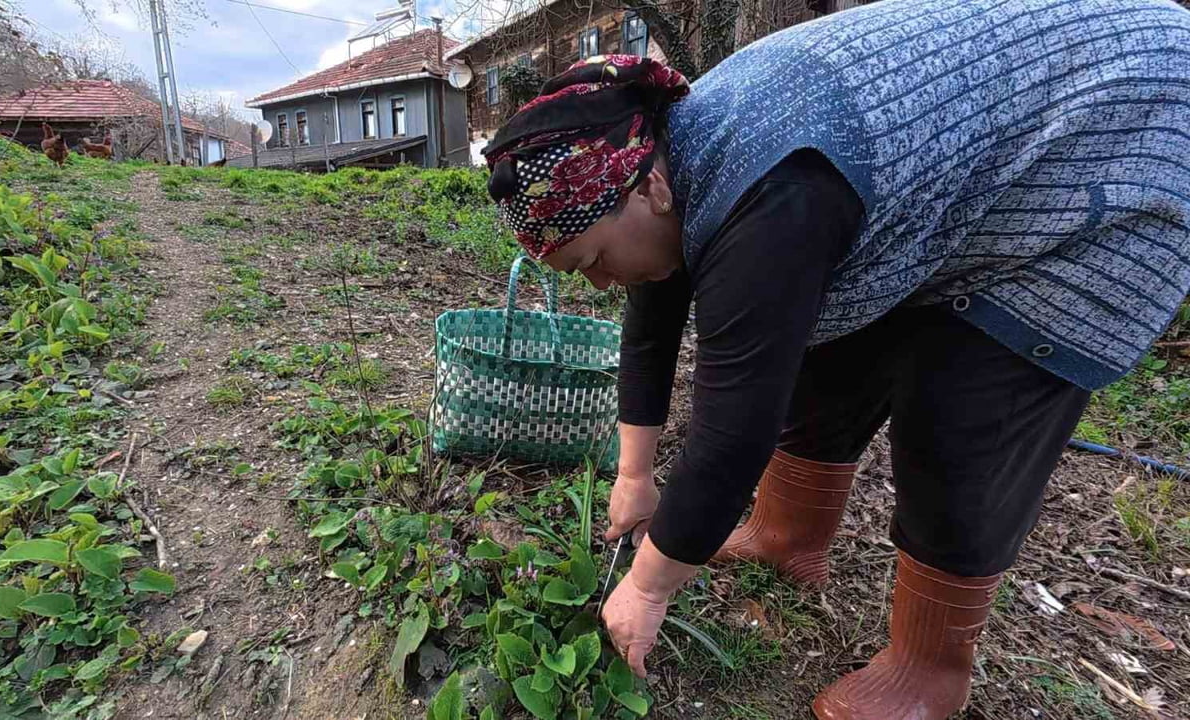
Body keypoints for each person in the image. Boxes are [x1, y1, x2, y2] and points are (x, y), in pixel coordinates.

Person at [480, 0, 1190, 717]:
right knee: (821, 332)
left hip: (1124, 131)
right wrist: (635, 475)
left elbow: (731, 440)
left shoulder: (768, 190)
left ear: (650, 187)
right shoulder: (671, 160)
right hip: (929, 161)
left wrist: (648, 586)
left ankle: (929, 671)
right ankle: (789, 537)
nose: (601, 282)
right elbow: (651, 317)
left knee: (963, 406)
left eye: (595, 259)